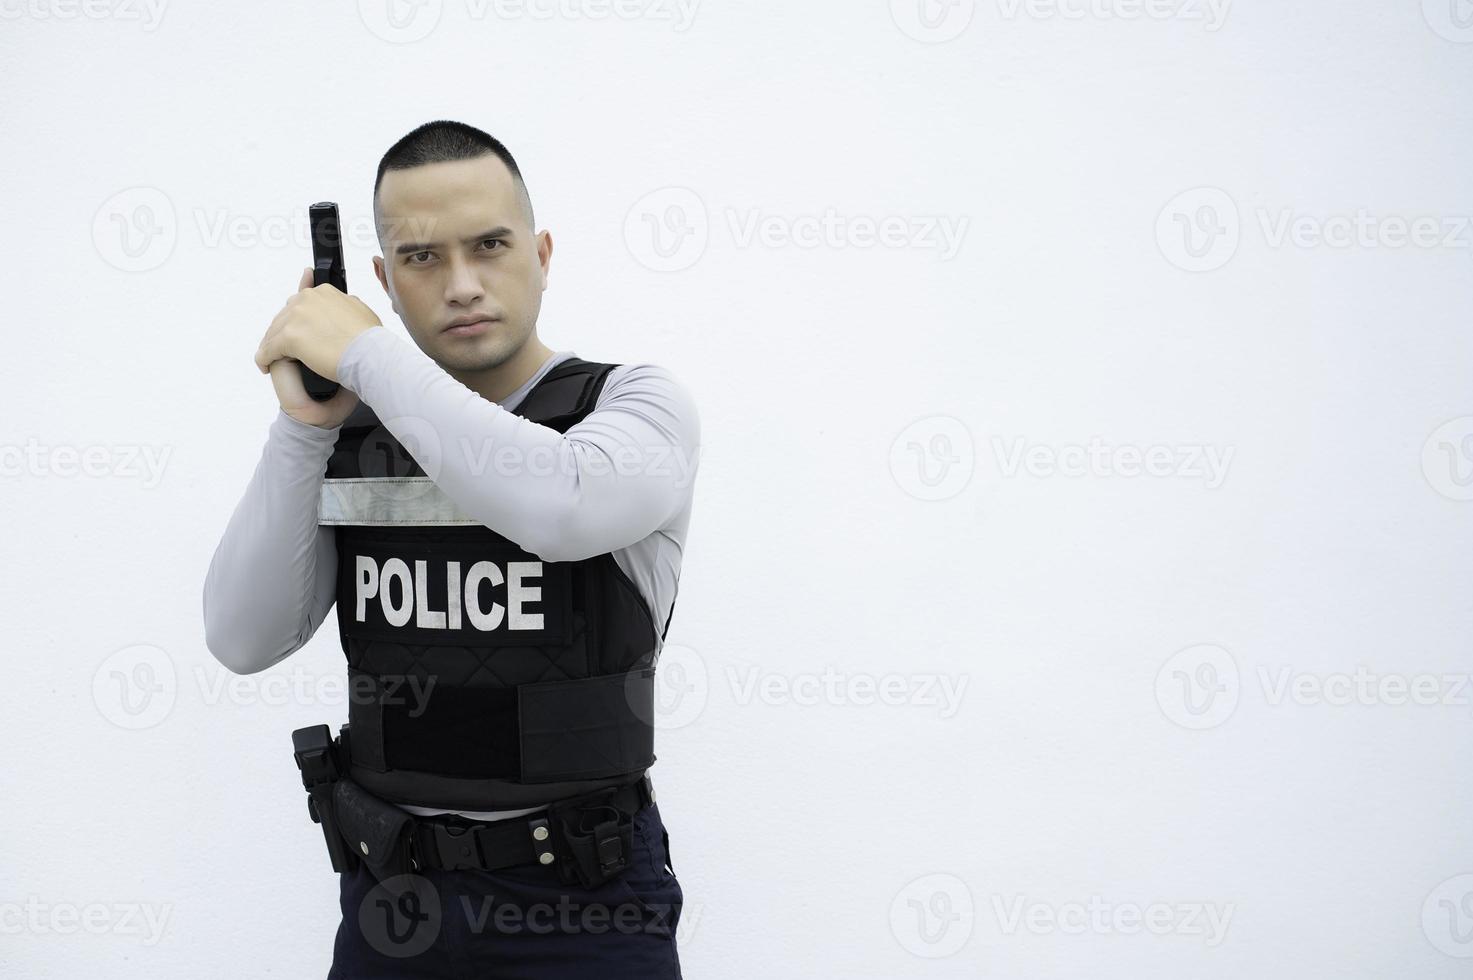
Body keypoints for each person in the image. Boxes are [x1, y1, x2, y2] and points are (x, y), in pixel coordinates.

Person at [201, 119, 699, 979]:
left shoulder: (633, 408)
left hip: (585, 901)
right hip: (393, 900)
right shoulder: (346, 434)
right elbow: (242, 641)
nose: (463, 284)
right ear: (385, 283)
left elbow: (557, 509)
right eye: (424, 259)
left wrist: (362, 353)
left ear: (541, 254)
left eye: (491, 245)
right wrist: (304, 427)